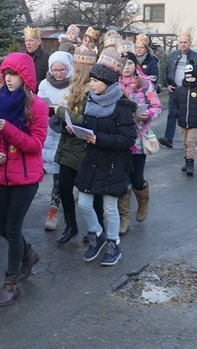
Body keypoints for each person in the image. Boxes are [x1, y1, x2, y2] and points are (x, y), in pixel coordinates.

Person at [0, 52, 48, 306]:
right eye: (6, 74)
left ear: (25, 77)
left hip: (26, 176)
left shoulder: (37, 106)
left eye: (14, 74)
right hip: (0, 174)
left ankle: (11, 281)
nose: (9, 79)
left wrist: (7, 129)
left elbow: (35, 144)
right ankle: (29, 255)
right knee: (3, 226)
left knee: (12, 227)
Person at [73, 48, 137, 266]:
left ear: (108, 82)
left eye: (96, 80)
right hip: (91, 161)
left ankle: (113, 243)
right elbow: (87, 126)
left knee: (110, 208)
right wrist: (74, 129)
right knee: (83, 202)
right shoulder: (90, 100)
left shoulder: (122, 107)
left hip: (113, 165)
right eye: (91, 79)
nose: (91, 84)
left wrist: (99, 139)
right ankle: (96, 233)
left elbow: (128, 140)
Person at [54, 46, 97, 245]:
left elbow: (89, 120)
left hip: (86, 149)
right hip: (69, 145)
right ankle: (71, 225)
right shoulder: (74, 88)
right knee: (64, 187)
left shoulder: (93, 89)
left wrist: (62, 113)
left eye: (78, 66)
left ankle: (94, 228)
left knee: (88, 192)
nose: (75, 70)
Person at [117, 50, 161, 233]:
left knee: (136, 179)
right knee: (121, 181)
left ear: (135, 65)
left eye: (129, 64)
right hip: (119, 138)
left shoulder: (144, 85)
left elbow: (157, 106)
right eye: (123, 64)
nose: (125, 67)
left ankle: (143, 196)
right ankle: (124, 218)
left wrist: (147, 114)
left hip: (138, 139)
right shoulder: (113, 84)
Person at [38, 51, 73, 232]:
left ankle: (64, 211)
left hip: (68, 133)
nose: (59, 73)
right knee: (55, 174)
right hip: (49, 130)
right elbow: (38, 103)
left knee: (64, 174)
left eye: (62, 70)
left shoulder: (74, 85)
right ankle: (54, 208)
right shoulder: (44, 84)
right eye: (55, 70)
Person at [159, 31, 197, 148]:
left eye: (185, 42)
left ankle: (190, 141)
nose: (183, 45)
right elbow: (165, 71)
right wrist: (167, 84)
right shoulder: (172, 56)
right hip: (175, 89)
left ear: (190, 42)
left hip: (190, 91)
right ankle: (168, 138)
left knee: (189, 115)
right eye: (181, 42)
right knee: (172, 113)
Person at [172, 64, 197, 176]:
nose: (190, 80)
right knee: (185, 142)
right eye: (187, 77)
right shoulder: (180, 90)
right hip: (183, 120)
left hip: (194, 121)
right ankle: (186, 159)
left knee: (190, 141)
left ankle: (190, 163)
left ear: (196, 78)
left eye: (192, 77)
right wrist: (176, 113)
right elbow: (174, 103)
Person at [23, 26, 49, 91]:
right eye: (26, 41)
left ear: (39, 41)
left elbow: (49, 79)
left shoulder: (48, 58)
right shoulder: (22, 58)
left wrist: (32, 85)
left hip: (40, 93)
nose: (28, 43)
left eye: (31, 40)